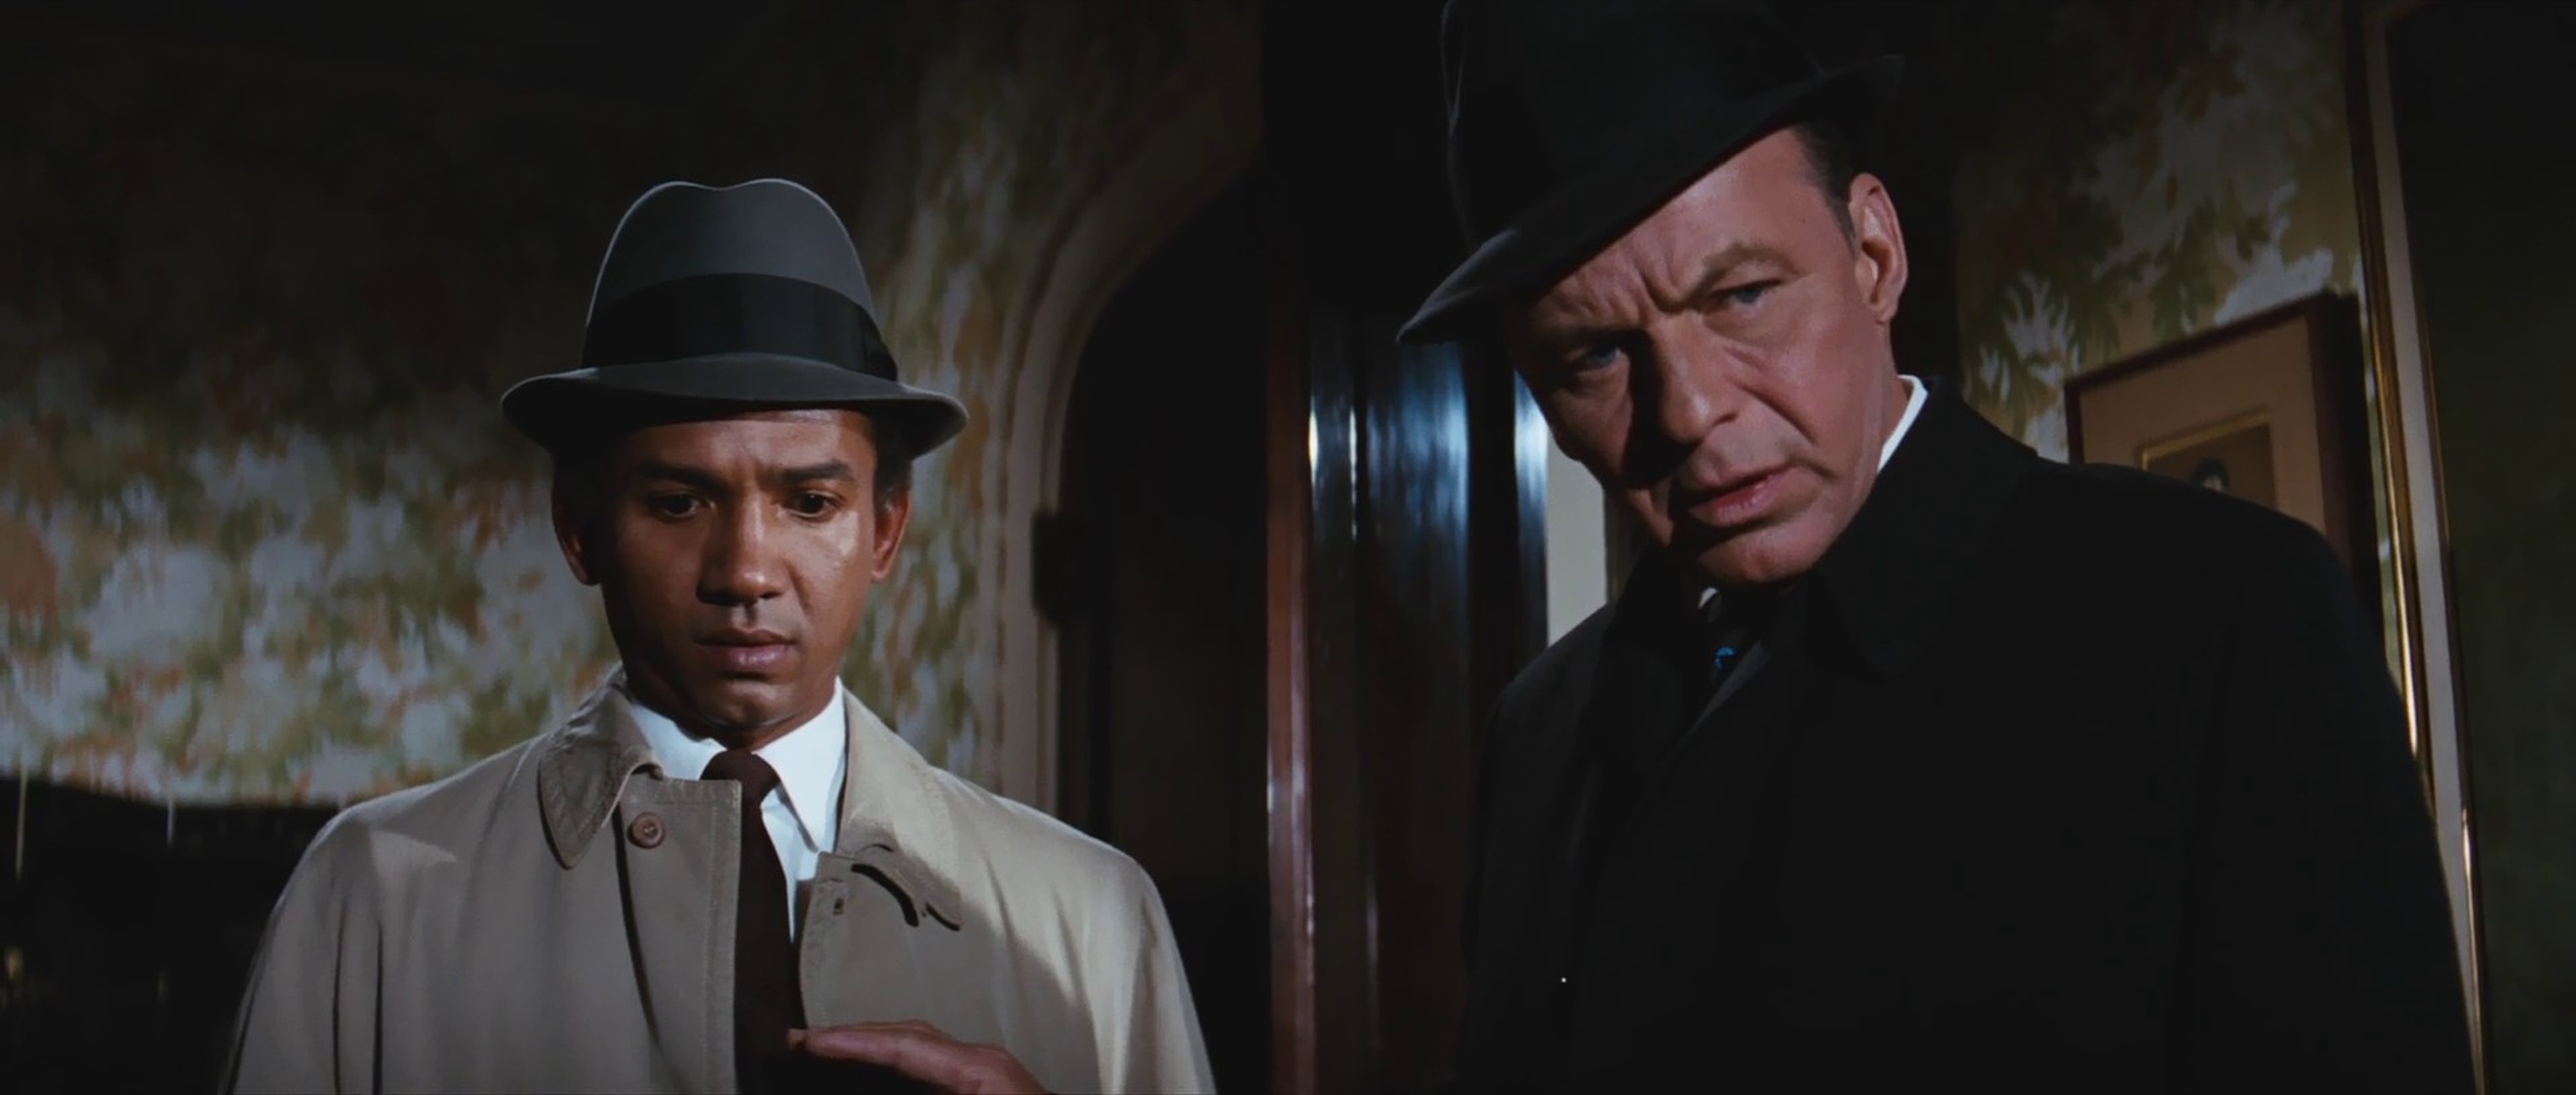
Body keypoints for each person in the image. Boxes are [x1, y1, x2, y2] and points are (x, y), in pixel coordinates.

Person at [1399, 2, 2475, 1090]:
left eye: (1741, 295)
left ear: (1873, 254)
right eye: (1593, 357)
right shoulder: (1537, 732)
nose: (1687, 410)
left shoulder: (2220, 618)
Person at [224, 178, 1215, 1094]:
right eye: (679, 500)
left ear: (884, 531)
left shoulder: (1091, 918)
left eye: (810, 502)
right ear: (580, 528)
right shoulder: (374, 896)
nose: (745, 571)